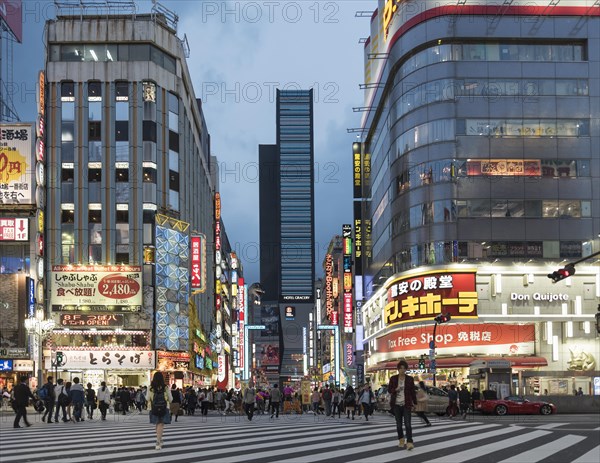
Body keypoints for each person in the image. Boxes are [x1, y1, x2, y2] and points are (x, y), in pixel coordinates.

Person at [388, 359, 417, 450]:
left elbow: (412, 392)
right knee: (399, 425)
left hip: (406, 404)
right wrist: (395, 389)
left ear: (406, 369)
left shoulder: (409, 379)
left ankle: (409, 442)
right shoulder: (393, 378)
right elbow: (389, 390)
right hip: (396, 405)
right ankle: (401, 439)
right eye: (401, 368)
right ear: (398, 369)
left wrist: (415, 403)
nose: (402, 370)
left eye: (404, 368)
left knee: (408, 424)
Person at [148, 371, 173, 450]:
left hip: (153, 408)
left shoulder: (150, 387)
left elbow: (147, 398)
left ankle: (160, 439)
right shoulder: (166, 387)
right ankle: (158, 442)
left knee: (157, 424)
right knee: (161, 424)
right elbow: (171, 399)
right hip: (164, 408)